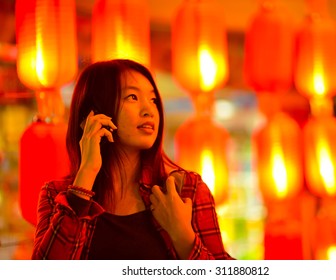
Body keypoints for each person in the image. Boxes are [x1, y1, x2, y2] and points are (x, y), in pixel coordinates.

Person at [31, 59, 233, 260]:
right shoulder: (56, 195)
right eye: (133, 97)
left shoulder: (185, 189)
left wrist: (183, 236)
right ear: (92, 115)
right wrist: (86, 175)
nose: (149, 110)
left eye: (153, 100)